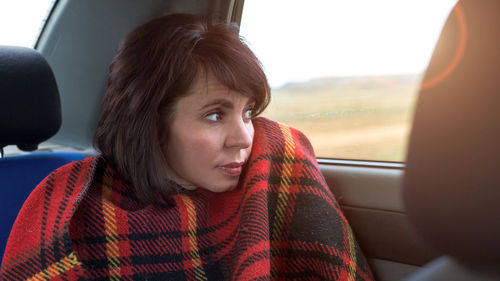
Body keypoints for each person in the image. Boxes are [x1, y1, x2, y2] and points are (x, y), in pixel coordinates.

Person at [1, 14, 374, 280]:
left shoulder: (275, 167)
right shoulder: (72, 210)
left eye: (247, 112)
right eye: (214, 115)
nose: (244, 137)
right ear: (149, 121)